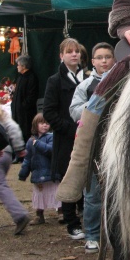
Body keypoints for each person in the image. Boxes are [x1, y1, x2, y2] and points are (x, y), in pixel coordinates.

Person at [66, 42, 115, 253]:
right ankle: (93, 235)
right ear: (93, 61)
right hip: (93, 145)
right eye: (100, 57)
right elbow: (74, 111)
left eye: (108, 57)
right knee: (93, 194)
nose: (104, 61)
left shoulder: (123, 82)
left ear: (114, 59)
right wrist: (95, 104)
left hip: (115, 144)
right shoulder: (84, 86)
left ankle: (115, 236)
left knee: (116, 194)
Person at [41, 38, 86, 239]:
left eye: (76, 51)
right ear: (62, 56)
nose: (74, 55)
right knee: (69, 178)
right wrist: (68, 128)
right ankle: (71, 222)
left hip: (88, 135)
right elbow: (49, 112)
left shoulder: (89, 77)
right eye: (69, 52)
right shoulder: (55, 81)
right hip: (67, 137)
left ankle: (87, 217)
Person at [0, 91, 29, 235]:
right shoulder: (2, 115)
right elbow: (14, 129)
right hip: (7, 154)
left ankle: (20, 215)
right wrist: (19, 148)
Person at [18, 113, 59, 225]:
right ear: (36, 125)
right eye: (42, 123)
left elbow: (51, 150)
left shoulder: (51, 137)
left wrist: (38, 144)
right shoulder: (31, 141)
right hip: (37, 172)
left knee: (55, 191)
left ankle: (61, 212)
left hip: (50, 171)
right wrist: (23, 173)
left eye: (47, 123)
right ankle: (39, 215)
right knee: (39, 194)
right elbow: (27, 158)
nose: (45, 125)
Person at [10, 54, 39, 162]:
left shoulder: (31, 77)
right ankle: (19, 155)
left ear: (23, 66)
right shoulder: (21, 77)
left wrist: (23, 106)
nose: (17, 66)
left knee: (26, 133)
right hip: (18, 112)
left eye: (18, 65)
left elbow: (31, 96)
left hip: (26, 113)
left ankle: (27, 155)